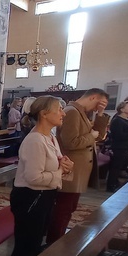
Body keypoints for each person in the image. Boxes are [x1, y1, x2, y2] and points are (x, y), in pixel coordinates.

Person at [10, 96, 73, 256]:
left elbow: (57, 163)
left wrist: (66, 165)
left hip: (44, 196)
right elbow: (33, 178)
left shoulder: (50, 137)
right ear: (44, 114)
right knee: (26, 245)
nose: (63, 114)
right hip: (30, 198)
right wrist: (61, 171)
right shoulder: (35, 140)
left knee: (35, 241)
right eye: (59, 109)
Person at [47, 88, 110, 243]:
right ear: (93, 97)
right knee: (64, 208)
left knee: (69, 207)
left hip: (78, 169)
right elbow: (71, 142)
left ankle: (57, 238)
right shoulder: (72, 111)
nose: (98, 107)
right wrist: (91, 136)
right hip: (71, 170)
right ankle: (54, 242)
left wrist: (100, 114)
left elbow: (100, 135)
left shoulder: (81, 112)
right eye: (99, 104)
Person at [106, 100, 128, 193]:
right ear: (122, 109)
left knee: (120, 167)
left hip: (127, 147)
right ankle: (111, 185)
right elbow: (118, 135)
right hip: (119, 147)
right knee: (115, 167)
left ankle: (116, 183)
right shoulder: (118, 120)